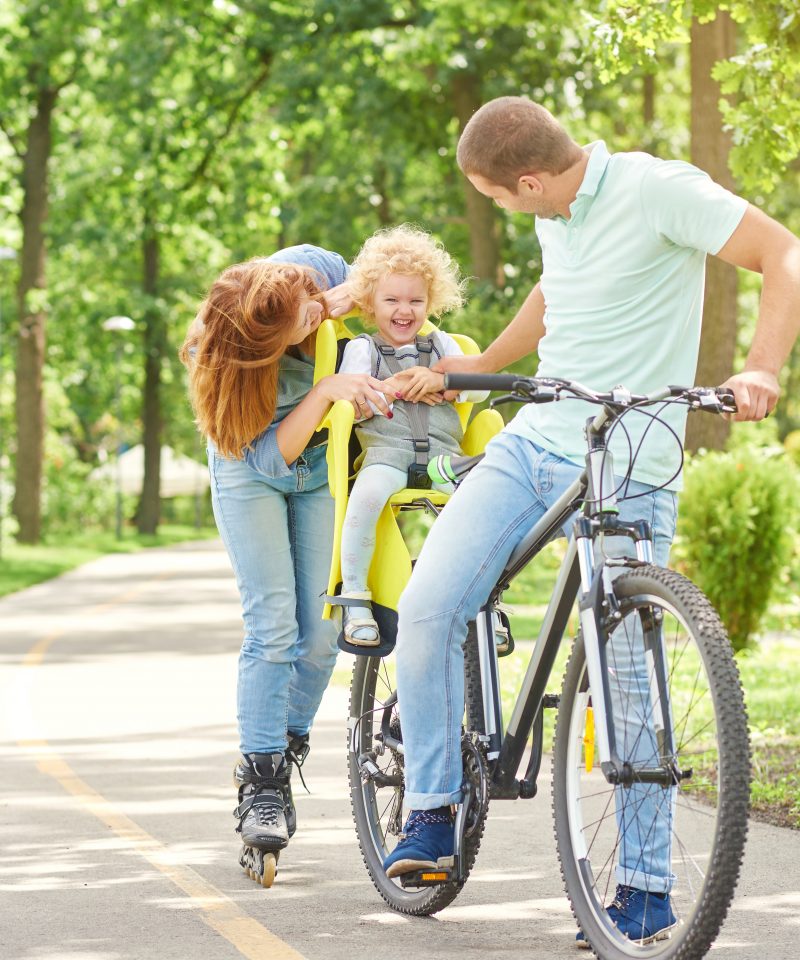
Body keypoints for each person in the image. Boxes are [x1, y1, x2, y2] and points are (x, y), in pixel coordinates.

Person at [382, 97, 800, 941]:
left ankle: (645, 888)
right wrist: (485, 363)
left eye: (498, 198)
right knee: (427, 608)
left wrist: (761, 369)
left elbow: (783, 251)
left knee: (629, 686)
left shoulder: (659, 191)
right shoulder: (559, 212)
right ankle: (431, 806)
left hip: (632, 462)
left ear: (528, 179)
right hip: (535, 442)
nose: (502, 208)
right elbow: (557, 290)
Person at [180, 245, 394, 879]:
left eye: (308, 313)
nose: (309, 327)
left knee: (325, 628)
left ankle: (286, 735)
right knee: (274, 626)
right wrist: (326, 390)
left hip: (321, 466)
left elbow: (381, 279)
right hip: (256, 468)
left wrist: (345, 296)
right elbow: (270, 458)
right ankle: (264, 778)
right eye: (296, 331)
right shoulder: (231, 374)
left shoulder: (308, 271)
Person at [334, 225, 486, 645]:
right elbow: (349, 397)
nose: (405, 310)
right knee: (365, 499)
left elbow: (480, 386)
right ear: (370, 302)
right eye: (392, 300)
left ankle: (485, 602)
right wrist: (385, 390)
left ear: (430, 302)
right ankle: (356, 597)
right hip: (387, 455)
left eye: (416, 300)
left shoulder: (441, 344)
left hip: (443, 458)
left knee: (484, 508)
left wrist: (447, 383)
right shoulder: (364, 349)